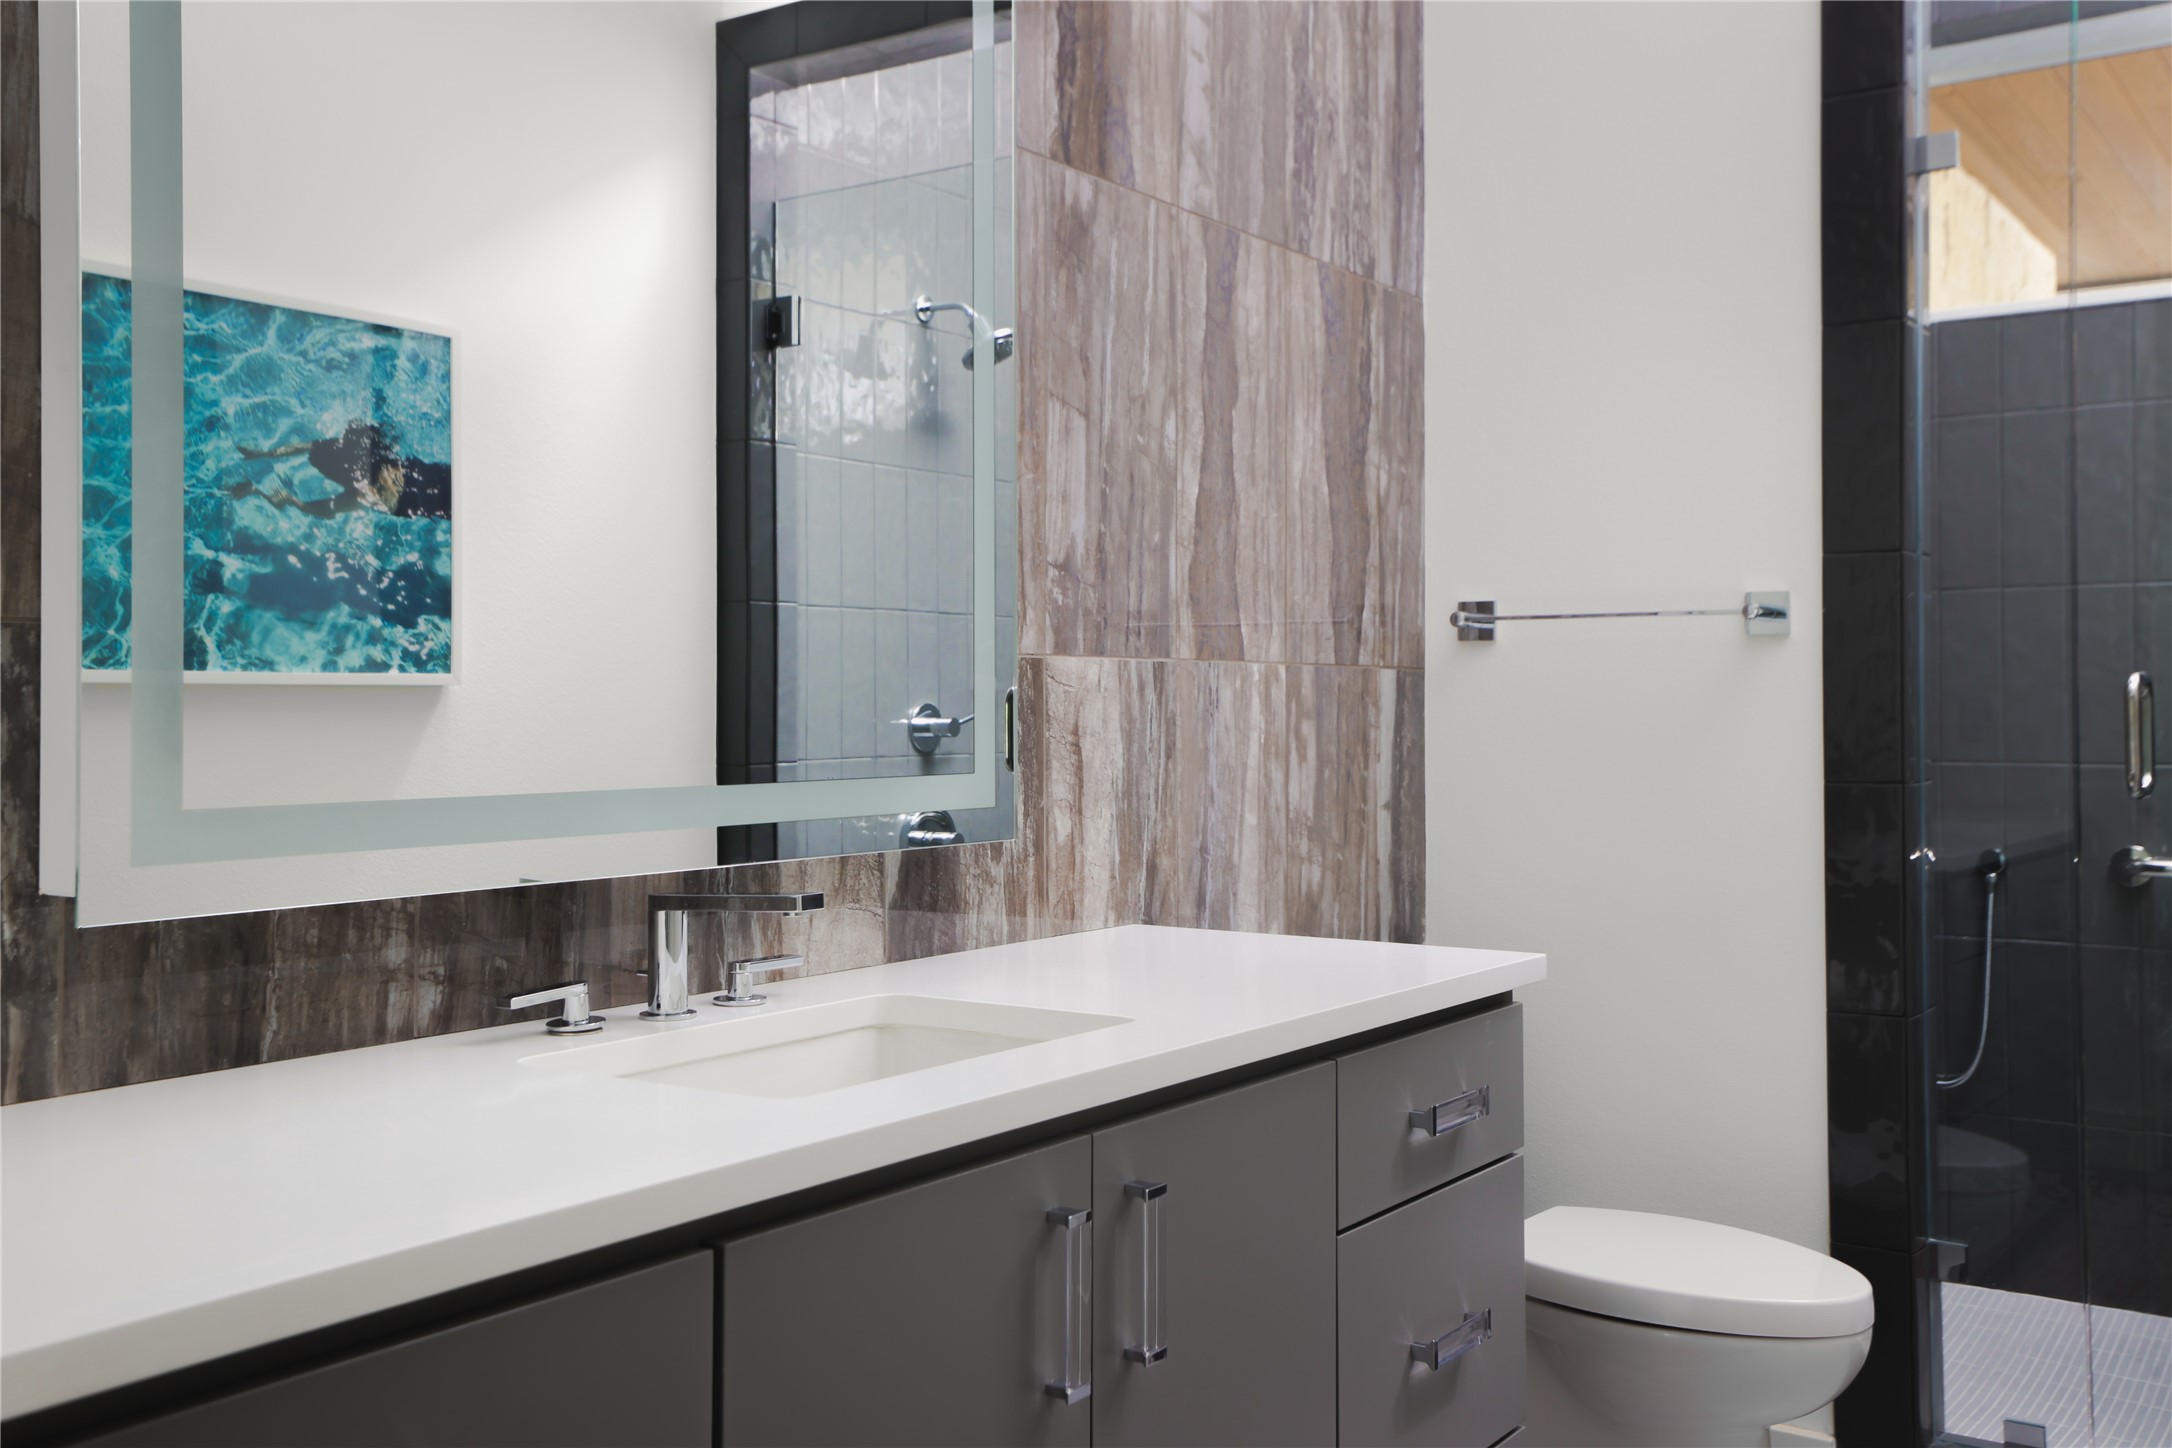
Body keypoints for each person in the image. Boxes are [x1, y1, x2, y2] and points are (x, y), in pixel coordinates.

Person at [228, 420, 450, 520]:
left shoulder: (362, 491)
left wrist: (287, 498)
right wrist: (262, 454)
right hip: (430, 476)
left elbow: (326, 510)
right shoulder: (372, 458)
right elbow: (303, 448)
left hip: (422, 501)